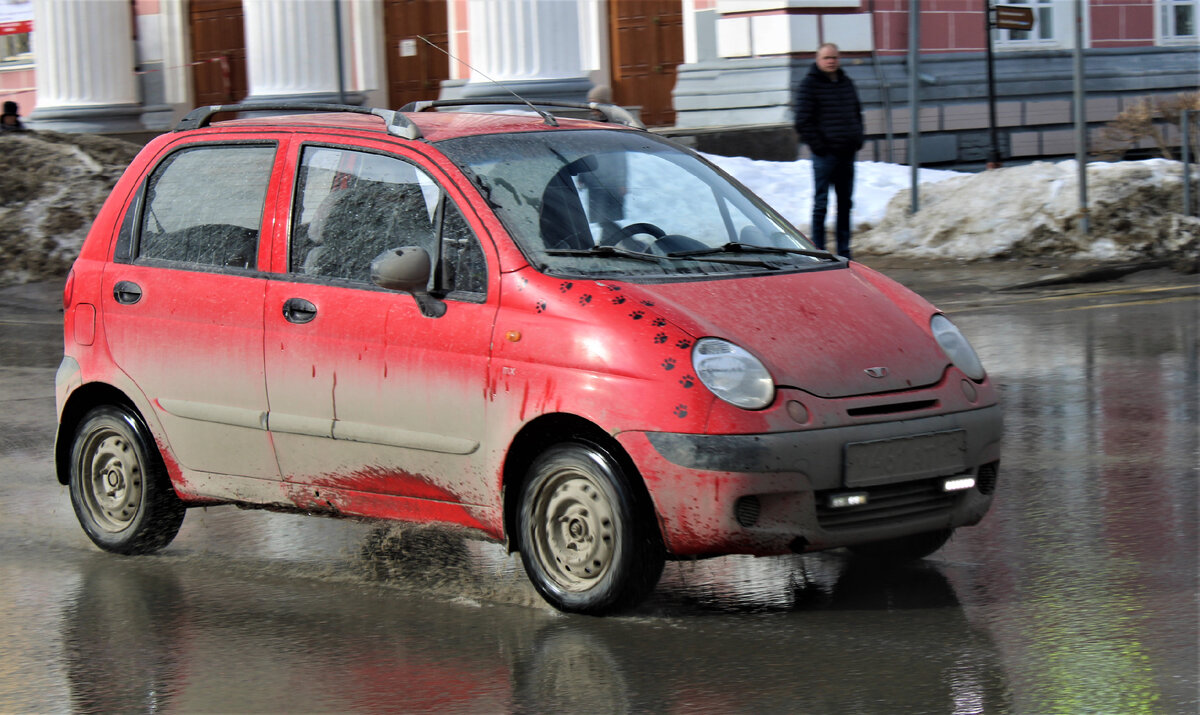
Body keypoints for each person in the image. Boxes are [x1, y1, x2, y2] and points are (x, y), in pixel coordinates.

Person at [792, 43, 864, 259]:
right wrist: (819, 146)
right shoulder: (809, 85)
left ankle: (844, 251)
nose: (831, 61)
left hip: (847, 154)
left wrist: (857, 138)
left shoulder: (846, 83)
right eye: (826, 58)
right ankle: (820, 251)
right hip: (825, 155)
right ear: (818, 59)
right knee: (821, 204)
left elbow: (856, 112)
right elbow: (802, 121)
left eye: (834, 57)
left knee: (845, 205)